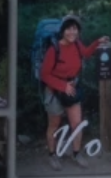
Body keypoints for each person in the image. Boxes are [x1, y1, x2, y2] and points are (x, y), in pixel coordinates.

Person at [37, 12, 92, 163]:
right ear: (62, 31)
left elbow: (86, 53)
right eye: (68, 29)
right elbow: (45, 75)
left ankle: (76, 153)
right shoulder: (53, 50)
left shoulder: (78, 45)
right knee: (54, 125)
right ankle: (52, 155)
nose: (72, 32)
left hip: (71, 88)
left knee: (77, 124)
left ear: (78, 31)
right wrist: (62, 86)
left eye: (75, 29)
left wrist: (99, 43)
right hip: (54, 91)